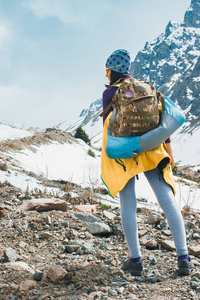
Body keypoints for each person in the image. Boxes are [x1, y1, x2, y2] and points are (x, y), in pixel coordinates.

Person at [101, 49, 192, 276]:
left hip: (126, 153)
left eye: (107, 71)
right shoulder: (146, 87)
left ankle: (135, 261)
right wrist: (168, 151)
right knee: (168, 202)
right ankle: (184, 258)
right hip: (153, 150)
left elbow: (108, 129)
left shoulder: (110, 93)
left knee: (128, 204)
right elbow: (161, 120)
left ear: (112, 71)